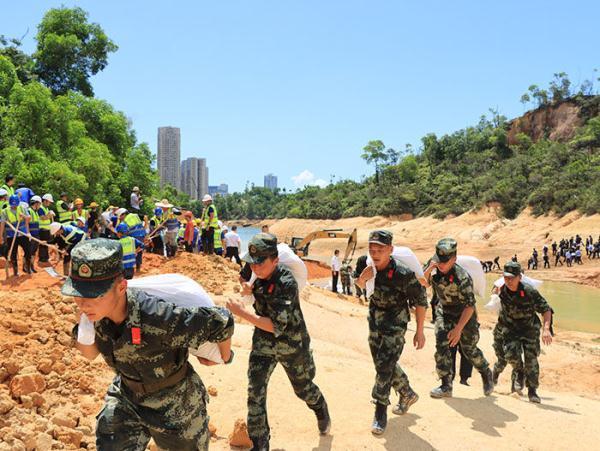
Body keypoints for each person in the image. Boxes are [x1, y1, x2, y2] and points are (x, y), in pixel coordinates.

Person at [65, 238, 234, 449]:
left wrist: (223, 357)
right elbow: (89, 353)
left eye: (93, 295)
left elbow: (223, 321)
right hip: (127, 396)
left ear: (121, 287)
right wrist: (83, 320)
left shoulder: (158, 317)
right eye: (77, 294)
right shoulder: (94, 314)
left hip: (175, 405)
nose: (83, 302)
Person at [226, 233, 330, 449]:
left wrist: (241, 312)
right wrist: (248, 290)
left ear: (275, 260)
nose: (254, 267)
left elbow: (275, 326)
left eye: (260, 262)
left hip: (290, 343)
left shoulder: (286, 282)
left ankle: (320, 407)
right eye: (252, 262)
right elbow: (245, 280)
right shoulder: (255, 269)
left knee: (303, 389)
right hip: (263, 344)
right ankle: (260, 443)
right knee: (255, 391)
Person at [355, 230, 427, 435]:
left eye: (380, 249)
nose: (375, 253)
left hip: (395, 323)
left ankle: (380, 410)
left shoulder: (403, 274)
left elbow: (421, 302)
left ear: (390, 250)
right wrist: (362, 279)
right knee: (382, 363)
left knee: (384, 367)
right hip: (374, 320)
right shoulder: (365, 265)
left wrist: (420, 332)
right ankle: (407, 392)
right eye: (372, 249)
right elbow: (359, 287)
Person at [423, 238, 494, 399]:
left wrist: (458, 329)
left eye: (445, 261)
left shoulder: (462, 277)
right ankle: (446, 384)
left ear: (454, 259)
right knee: (442, 344)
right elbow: (422, 283)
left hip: (464, 314)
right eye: (438, 259)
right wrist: (428, 270)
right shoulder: (433, 265)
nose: (440, 264)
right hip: (444, 311)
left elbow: (469, 306)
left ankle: (485, 372)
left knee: (469, 349)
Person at [496, 261, 552, 403]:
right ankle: (519, 372)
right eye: (506, 277)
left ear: (519, 277)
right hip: (511, 329)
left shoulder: (529, 292)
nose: (508, 281)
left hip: (529, 330)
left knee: (531, 360)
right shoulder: (502, 290)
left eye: (512, 278)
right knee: (510, 355)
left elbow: (546, 310)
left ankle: (532, 391)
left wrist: (546, 329)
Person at [0, 195, 31, 276]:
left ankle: (27, 267)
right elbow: (2, 224)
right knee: (13, 253)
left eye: (16, 204)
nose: (14, 206)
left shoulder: (22, 208)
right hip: (11, 235)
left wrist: (23, 216)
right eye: (13, 204)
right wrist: (1, 236)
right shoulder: (5, 211)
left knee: (28, 251)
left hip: (22, 234)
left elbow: (28, 218)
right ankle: (15, 271)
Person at [37, 194, 55, 264]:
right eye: (49, 202)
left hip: (46, 229)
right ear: (45, 201)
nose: (50, 203)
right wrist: (50, 215)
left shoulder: (46, 208)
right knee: (42, 244)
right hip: (42, 229)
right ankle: (42, 259)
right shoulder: (40, 208)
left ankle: (46, 258)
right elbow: (43, 218)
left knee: (46, 244)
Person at [27, 196, 43, 273]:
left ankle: (31, 266)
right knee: (29, 251)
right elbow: (26, 223)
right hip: (31, 235)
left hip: (36, 234)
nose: (40, 206)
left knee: (34, 251)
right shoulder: (29, 211)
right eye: (39, 204)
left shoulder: (36, 212)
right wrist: (28, 233)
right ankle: (27, 267)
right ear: (36, 203)